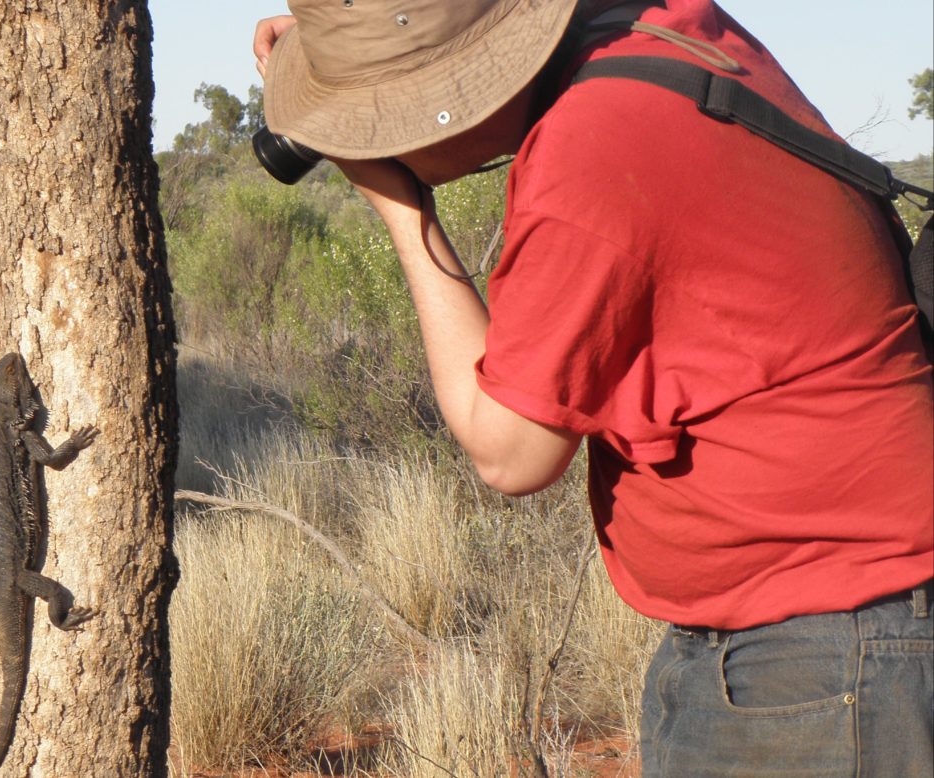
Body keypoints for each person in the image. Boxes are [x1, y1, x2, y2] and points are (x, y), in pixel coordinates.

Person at [252, 0, 934, 774]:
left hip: (821, 657)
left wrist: (401, 209)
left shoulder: (593, 146)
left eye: (382, 115)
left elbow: (510, 452)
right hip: (827, 638)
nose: (372, 136)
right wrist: (335, 52)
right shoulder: (663, 28)